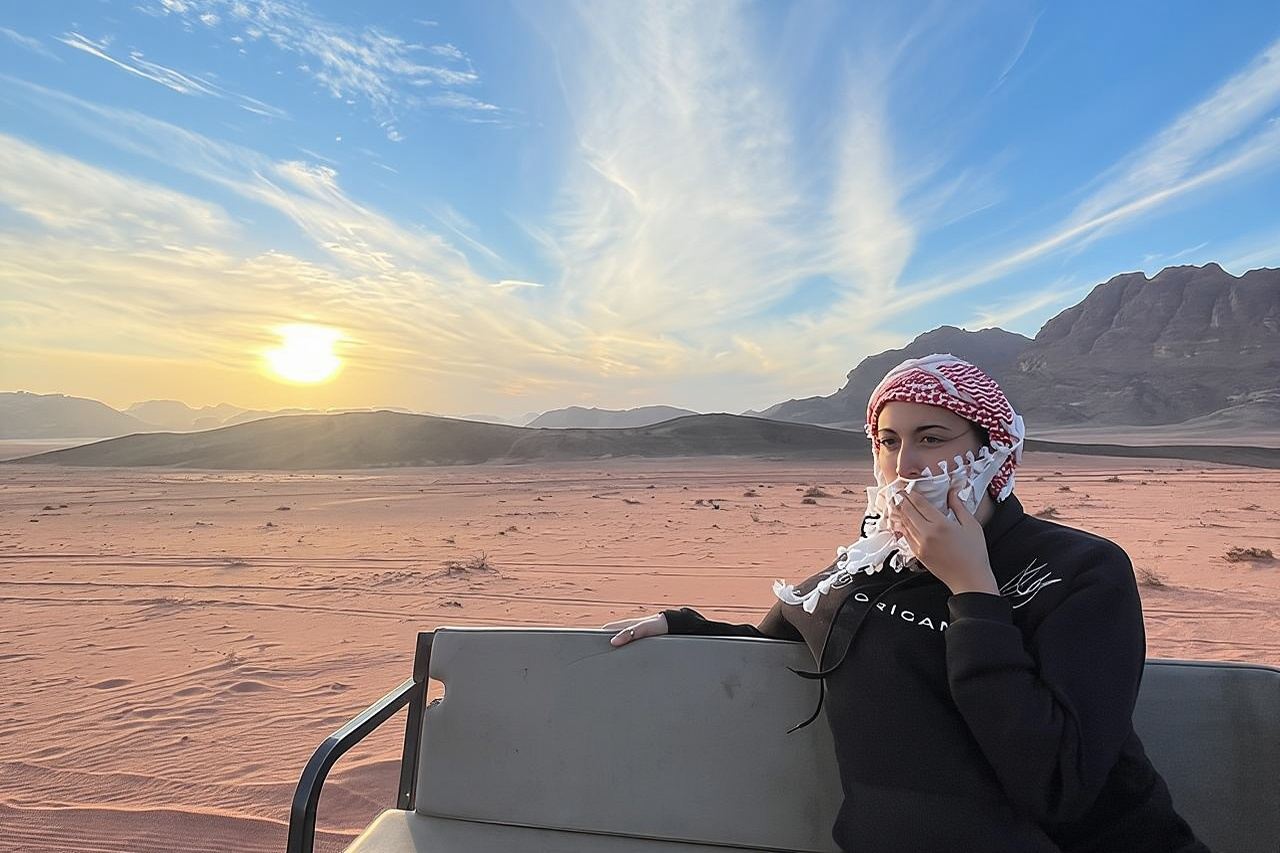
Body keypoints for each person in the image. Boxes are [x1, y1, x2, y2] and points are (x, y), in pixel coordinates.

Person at [604, 353, 1209, 853]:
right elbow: (780, 642)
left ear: (992, 451)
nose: (905, 465)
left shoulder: (1077, 570)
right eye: (887, 441)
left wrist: (972, 589)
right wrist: (683, 625)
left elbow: (1058, 783)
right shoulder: (865, 567)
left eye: (932, 438)